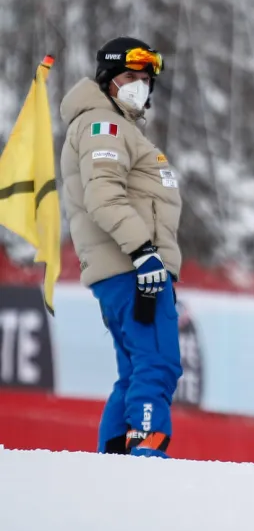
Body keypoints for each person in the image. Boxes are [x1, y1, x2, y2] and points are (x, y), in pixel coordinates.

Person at [59, 37, 181, 457]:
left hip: (123, 268)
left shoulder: (119, 128)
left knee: (133, 372)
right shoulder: (103, 126)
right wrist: (144, 252)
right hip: (133, 267)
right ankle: (146, 457)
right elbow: (103, 197)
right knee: (157, 364)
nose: (140, 85)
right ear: (108, 80)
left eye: (146, 78)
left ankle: (112, 462)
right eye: (130, 76)